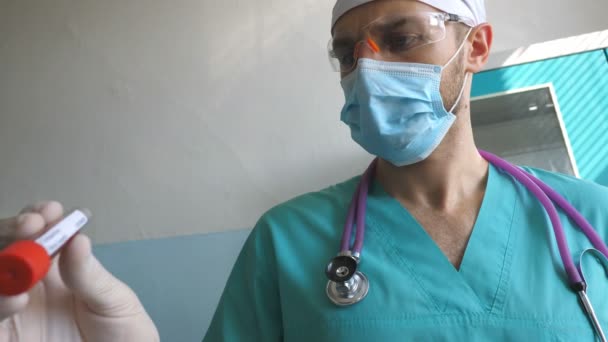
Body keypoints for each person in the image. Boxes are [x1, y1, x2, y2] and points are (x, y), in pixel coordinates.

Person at [1, 0, 607, 341]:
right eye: (348, 53)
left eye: (400, 38)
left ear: (474, 48)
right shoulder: (287, 240)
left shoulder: (591, 221)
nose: (367, 69)